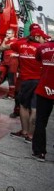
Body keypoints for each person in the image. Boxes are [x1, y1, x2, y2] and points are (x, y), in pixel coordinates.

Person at [0, 25, 48, 142]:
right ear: (37, 37)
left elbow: (4, 47)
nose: (44, 39)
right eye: (43, 38)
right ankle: (30, 136)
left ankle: (24, 131)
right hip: (40, 82)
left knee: (24, 106)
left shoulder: (20, 44)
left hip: (26, 81)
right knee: (34, 108)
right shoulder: (42, 48)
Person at [32, 31, 54, 161]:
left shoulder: (42, 47)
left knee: (41, 121)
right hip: (44, 89)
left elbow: (38, 59)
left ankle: (40, 152)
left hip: (44, 89)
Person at [0, 29, 19, 98]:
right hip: (5, 61)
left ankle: (11, 95)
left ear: (13, 34)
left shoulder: (16, 41)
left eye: (9, 33)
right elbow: (1, 48)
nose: (7, 34)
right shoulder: (6, 40)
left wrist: (17, 55)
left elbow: (21, 50)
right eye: (6, 33)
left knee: (11, 78)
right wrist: (4, 41)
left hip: (13, 61)